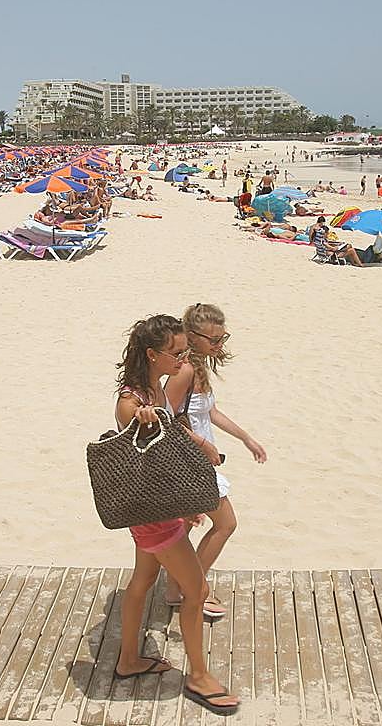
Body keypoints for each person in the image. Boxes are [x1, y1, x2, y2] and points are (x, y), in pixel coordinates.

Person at [112, 315, 239, 715]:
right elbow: (135, 433)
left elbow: (171, 439)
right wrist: (141, 419)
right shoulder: (133, 401)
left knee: (143, 580)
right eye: (176, 352)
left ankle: (129, 660)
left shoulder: (150, 388)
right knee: (196, 590)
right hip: (153, 515)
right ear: (152, 355)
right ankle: (199, 677)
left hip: (153, 508)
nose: (184, 359)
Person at [163, 304, 267, 622]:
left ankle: (173, 591)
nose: (220, 345)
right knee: (225, 524)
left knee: (180, 529)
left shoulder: (199, 367)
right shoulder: (184, 372)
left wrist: (246, 438)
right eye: (214, 340)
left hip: (197, 461)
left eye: (223, 338)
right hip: (188, 464)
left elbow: (211, 413)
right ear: (193, 337)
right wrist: (203, 444)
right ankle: (194, 588)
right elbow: (164, 417)